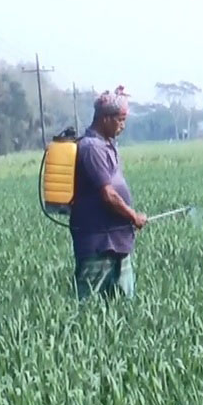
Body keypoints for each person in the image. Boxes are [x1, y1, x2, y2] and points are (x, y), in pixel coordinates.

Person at [70, 85, 147, 300]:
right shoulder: (91, 148)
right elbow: (109, 194)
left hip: (118, 246)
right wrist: (134, 216)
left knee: (123, 310)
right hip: (99, 247)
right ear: (105, 118)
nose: (123, 126)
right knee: (90, 310)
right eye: (120, 120)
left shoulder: (107, 145)